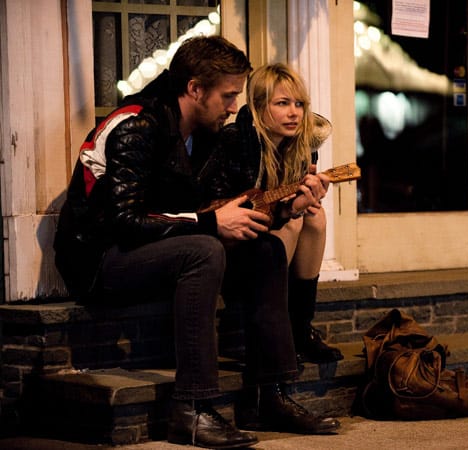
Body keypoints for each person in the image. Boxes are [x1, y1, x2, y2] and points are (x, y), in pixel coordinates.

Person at [53, 36, 339, 449]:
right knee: (203, 249)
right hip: (100, 259)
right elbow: (124, 221)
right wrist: (208, 222)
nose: (233, 106)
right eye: (227, 95)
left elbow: (218, 208)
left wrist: (283, 210)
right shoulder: (136, 125)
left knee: (263, 246)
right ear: (194, 89)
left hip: (158, 249)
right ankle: (191, 408)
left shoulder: (203, 132)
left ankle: (271, 394)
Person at [210, 63, 344, 366]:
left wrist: (306, 196)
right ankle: (278, 333)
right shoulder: (236, 141)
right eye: (282, 104)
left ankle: (300, 328)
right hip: (235, 248)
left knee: (314, 216)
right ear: (258, 107)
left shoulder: (302, 146)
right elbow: (226, 207)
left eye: (299, 104)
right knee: (293, 224)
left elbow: (292, 205)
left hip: (270, 237)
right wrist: (286, 211)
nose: (294, 113)